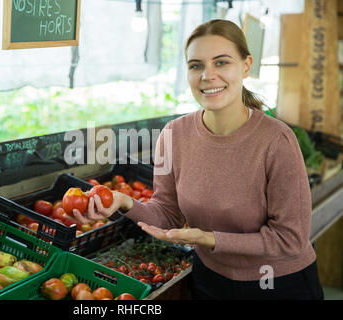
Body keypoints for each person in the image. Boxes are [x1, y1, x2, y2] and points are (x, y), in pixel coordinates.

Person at [73, 19, 324, 300]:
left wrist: (209, 239)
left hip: (278, 284)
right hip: (210, 279)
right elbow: (167, 215)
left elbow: (290, 239)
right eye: (196, 65)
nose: (208, 75)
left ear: (246, 65)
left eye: (221, 62)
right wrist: (124, 202)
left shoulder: (277, 141)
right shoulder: (174, 134)